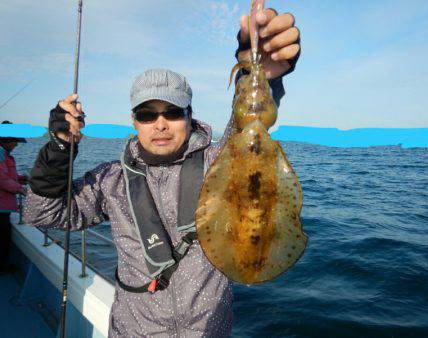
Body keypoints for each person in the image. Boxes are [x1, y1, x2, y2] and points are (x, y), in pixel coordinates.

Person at [24, 8, 301, 337]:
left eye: (172, 111)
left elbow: (248, 125)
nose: (160, 123)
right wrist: (58, 151)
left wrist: (261, 75)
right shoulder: (111, 181)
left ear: (189, 115)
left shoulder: (220, 162)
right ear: (133, 120)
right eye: (146, 113)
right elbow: (43, 214)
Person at [0, 121, 28, 274]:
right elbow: (2, 180)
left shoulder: (4, 155)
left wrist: (21, 178)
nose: (16, 145)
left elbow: (6, 175)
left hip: (4, 207)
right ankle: (2, 267)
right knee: (2, 239)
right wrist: (21, 189)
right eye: (14, 141)